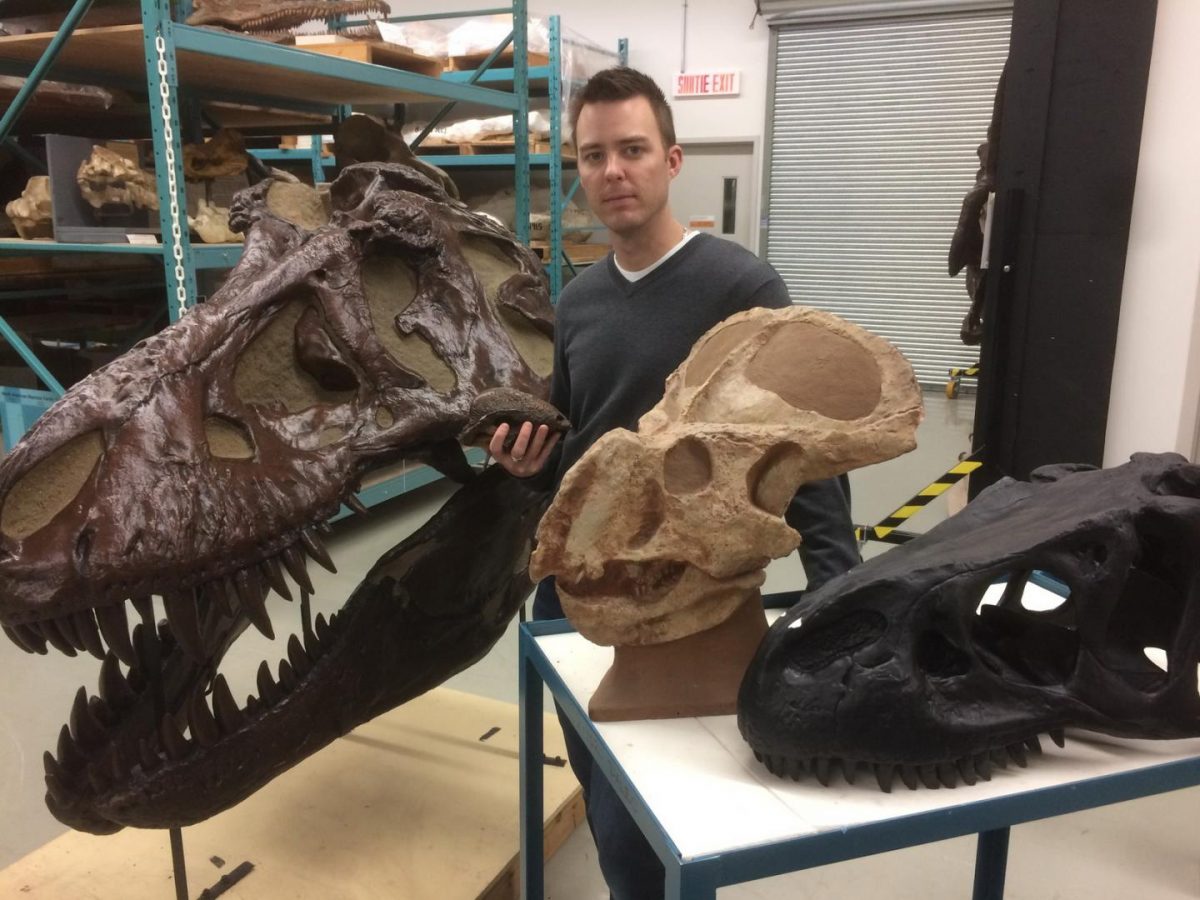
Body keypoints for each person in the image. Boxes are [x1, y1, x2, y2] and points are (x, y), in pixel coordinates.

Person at [488, 67, 860, 900]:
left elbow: (801, 448)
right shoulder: (575, 301)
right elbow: (575, 439)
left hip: (688, 595)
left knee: (646, 824)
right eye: (593, 155)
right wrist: (528, 464)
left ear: (672, 160)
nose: (613, 171)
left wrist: (841, 592)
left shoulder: (742, 288)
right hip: (581, 592)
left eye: (632, 150)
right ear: (578, 171)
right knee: (600, 777)